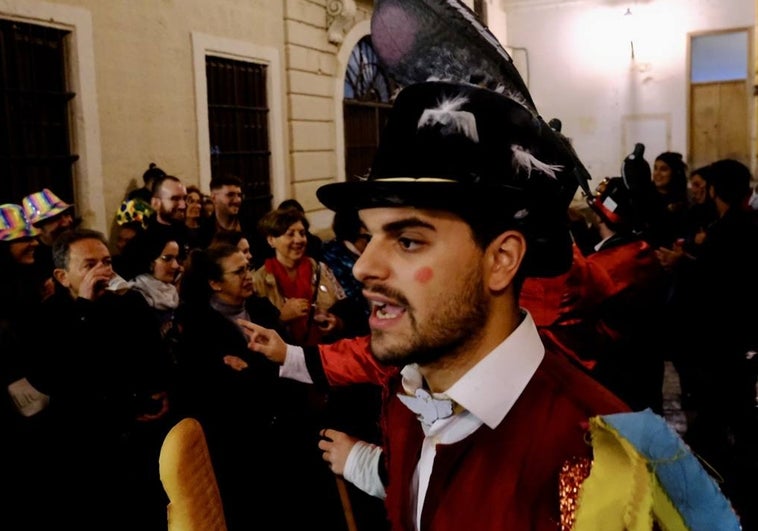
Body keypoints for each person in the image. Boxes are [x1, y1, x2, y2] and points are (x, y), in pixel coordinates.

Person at [175, 243, 347, 530]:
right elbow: (221, 388)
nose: (248, 276)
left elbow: (286, 362)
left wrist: (251, 368)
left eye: (247, 268)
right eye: (238, 271)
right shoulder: (198, 325)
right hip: (244, 444)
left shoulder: (261, 308)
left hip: (289, 429)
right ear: (215, 283)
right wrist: (258, 371)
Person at [25, 228, 175, 530]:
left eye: (106, 262)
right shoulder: (47, 318)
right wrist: (85, 308)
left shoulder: (129, 303)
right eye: (89, 265)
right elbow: (53, 377)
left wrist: (158, 391)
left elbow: (157, 358)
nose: (103, 271)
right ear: (63, 276)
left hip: (138, 438)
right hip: (85, 447)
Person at [252, 206, 348, 347]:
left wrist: (336, 321)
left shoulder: (320, 269)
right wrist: (281, 319)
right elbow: (255, 331)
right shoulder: (258, 280)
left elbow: (344, 306)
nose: (299, 240)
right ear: (271, 240)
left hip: (325, 354)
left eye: (302, 233)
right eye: (290, 234)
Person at [21, 187, 76, 286]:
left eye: (67, 214)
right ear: (37, 227)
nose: (66, 222)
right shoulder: (32, 261)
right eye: (56, 218)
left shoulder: (79, 247)